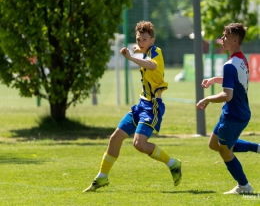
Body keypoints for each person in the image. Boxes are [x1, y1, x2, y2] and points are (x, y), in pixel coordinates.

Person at [83, 20, 182, 192]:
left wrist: (131, 57)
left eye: (144, 39)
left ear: (152, 40)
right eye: (138, 39)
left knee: (139, 144)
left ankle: (173, 164)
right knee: (115, 138)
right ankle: (102, 178)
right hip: (141, 104)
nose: (140, 42)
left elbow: (152, 65)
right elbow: (143, 54)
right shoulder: (145, 50)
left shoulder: (156, 51)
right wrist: (137, 50)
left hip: (153, 107)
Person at [196, 23, 260, 195]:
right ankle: (256, 148)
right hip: (234, 113)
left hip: (234, 115)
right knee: (213, 144)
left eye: (225, 36)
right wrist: (214, 80)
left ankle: (244, 186)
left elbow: (227, 95)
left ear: (234, 40)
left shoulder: (230, 64)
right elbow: (233, 80)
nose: (222, 39)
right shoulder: (240, 59)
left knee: (225, 152)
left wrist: (207, 98)